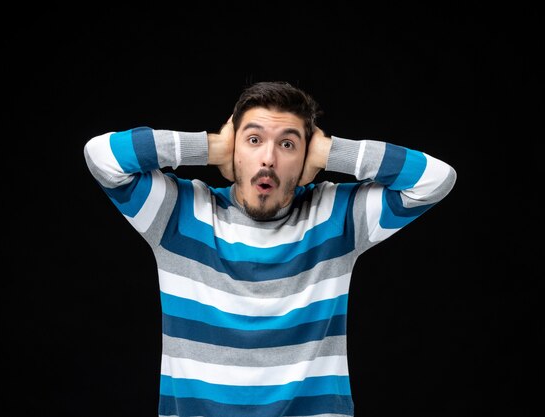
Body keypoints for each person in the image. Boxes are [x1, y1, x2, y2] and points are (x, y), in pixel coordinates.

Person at [83, 81, 457, 417]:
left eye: (288, 144)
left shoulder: (335, 216)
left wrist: (331, 152)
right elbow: (102, 157)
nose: (268, 159)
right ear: (234, 151)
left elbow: (435, 180)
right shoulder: (178, 212)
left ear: (307, 160)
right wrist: (210, 147)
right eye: (254, 140)